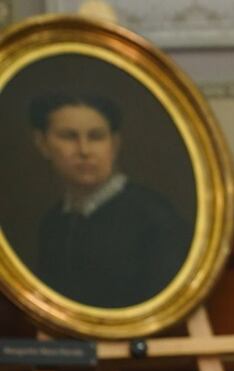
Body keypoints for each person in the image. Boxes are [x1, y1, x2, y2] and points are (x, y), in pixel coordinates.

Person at [29, 92, 190, 308]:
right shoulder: (52, 223)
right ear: (42, 143)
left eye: (96, 137)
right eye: (68, 136)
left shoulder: (155, 218)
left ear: (114, 143)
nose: (84, 150)